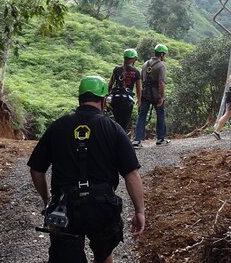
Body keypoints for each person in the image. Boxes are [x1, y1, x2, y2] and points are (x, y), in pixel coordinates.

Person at [28, 75, 146, 263]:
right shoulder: (114, 129)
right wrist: (139, 211)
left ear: (80, 98)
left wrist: (47, 200)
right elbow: (131, 173)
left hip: (64, 206)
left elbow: (36, 169)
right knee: (104, 254)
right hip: (102, 207)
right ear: (102, 100)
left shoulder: (58, 127)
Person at [132, 43, 169, 148]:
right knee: (160, 115)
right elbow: (161, 82)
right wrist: (161, 97)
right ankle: (160, 139)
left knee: (142, 116)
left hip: (145, 94)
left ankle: (137, 140)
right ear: (161, 54)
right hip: (156, 94)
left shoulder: (145, 64)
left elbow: (141, 79)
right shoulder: (161, 65)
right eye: (164, 54)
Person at [107, 48, 141, 132]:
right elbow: (138, 89)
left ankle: (115, 141)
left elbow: (110, 84)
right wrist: (139, 101)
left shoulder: (117, 69)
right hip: (127, 100)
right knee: (124, 124)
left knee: (117, 122)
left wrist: (107, 95)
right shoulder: (136, 72)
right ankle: (122, 141)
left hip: (116, 99)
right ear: (133, 59)